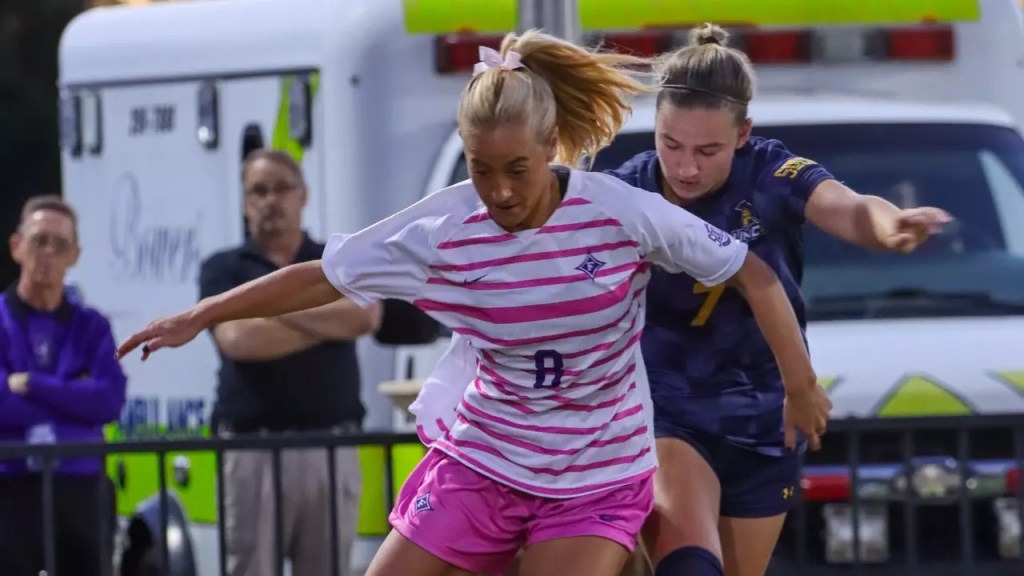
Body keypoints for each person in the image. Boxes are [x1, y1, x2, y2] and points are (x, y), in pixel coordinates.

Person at [115, 30, 827, 576]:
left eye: (518, 169)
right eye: (483, 171)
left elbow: (752, 272)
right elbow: (322, 276)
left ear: (551, 147)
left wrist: (799, 384)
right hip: (485, 460)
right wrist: (202, 314)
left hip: (594, 473)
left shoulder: (620, 211)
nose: (502, 192)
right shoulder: (444, 227)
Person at [600, 24, 951, 576]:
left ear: (743, 134)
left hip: (765, 414)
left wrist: (892, 226)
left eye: (708, 150)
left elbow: (850, 207)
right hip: (666, 409)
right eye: (671, 144)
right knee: (690, 565)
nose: (686, 167)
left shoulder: (772, 173)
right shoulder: (628, 191)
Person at [199, 149, 381, 576]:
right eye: (259, 191)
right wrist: (323, 318)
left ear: (304, 195)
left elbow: (364, 316)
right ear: (245, 203)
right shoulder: (224, 268)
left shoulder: (334, 259)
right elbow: (237, 339)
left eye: (282, 188)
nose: (271, 200)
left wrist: (263, 305)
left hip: (330, 448)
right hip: (253, 451)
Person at [0, 195, 127, 576]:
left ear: (75, 256)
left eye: (60, 245)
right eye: (39, 241)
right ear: (17, 247)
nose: (48, 254)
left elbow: (109, 400)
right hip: (11, 485)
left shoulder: (93, 326)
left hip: (82, 485)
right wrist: (73, 397)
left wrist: (32, 384)